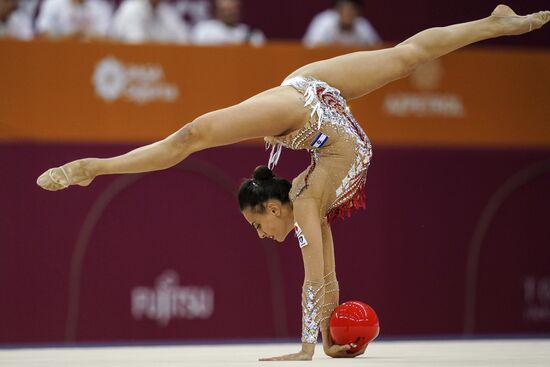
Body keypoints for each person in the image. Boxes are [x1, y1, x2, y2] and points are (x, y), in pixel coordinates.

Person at [37, 5, 548, 360]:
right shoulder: (307, 202)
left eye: (257, 226)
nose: (261, 236)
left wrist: (310, 345)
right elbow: (325, 277)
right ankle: (94, 168)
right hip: (315, 100)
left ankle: (493, 23)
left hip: (301, 106)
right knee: (403, 58)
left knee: (193, 135)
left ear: (272, 207)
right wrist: (326, 337)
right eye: (258, 231)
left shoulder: (305, 202)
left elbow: (315, 278)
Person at [303, 0, 381, 48]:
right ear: (337, 9)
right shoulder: (324, 21)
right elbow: (309, 46)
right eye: (344, 9)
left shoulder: (362, 25)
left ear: (358, 11)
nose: (348, 13)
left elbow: (377, 48)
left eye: (352, 9)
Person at [110, 0, 189, 44]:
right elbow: (138, 48)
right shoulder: (131, 9)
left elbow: (184, 42)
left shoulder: (167, 12)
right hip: (130, 66)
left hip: (158, 66)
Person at [191, 0, 265, 46]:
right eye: (225, 10)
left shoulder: (253, 35)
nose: (229, 13)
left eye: (232, 10)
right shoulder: (203, 31)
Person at [35, 0, 113, 40]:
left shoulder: (101, 7)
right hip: (57, 54)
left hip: (92, 54)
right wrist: (70, 36)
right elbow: (43, 34)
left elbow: (109, 38)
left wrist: (84, 34)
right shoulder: (53, 4)